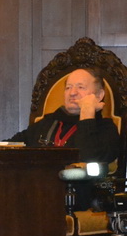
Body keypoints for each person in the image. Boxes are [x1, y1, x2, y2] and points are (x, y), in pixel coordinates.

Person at [7, 67, 120, 210]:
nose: (72, 93)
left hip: (76, 202)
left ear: (99, 95)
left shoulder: (106, 128)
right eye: (68, 88)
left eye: (80, 87)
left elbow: (88, 156)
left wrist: (87, 114)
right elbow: (8, 148)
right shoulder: (47, 123)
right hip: (32, 197)